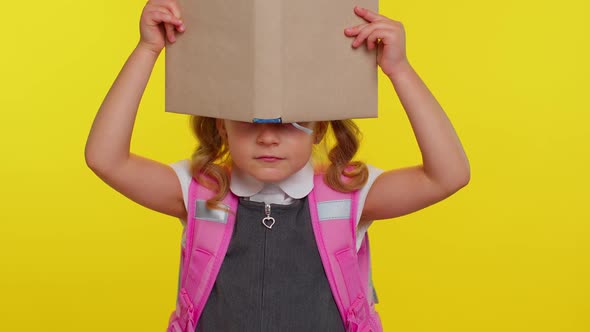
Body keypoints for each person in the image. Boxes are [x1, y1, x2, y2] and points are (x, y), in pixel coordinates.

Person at [85, 0, 470, 330]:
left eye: (290, 123)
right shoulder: (199, 192)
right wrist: (147, 49)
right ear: (222, 123)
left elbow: (449, 175)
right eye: (250, 123)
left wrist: (399, 69)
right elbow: (106, 158)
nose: (268, 137)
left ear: (318, 130)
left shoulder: (348, 195)